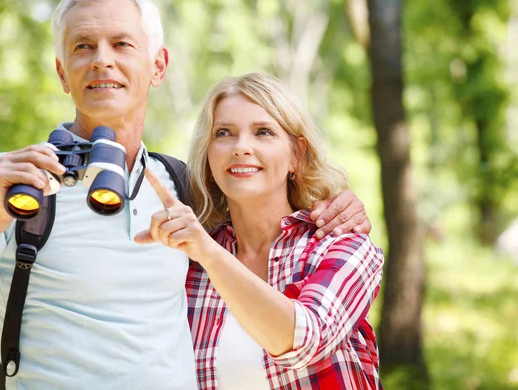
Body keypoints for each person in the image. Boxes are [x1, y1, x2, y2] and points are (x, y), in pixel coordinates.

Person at [0, 0, 371, 389]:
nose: (101, 60)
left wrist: (339, 207)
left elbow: (268, 211)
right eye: (82, 46)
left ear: (158, 66)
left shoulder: (185, 189)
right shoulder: (11, 180)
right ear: (62, 72)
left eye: (121, 44)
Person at [135, 72, 384, 389]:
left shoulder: (342, 245)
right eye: (224, 133)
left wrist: (208, 254)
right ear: (208, 154)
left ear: (297, 155)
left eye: (263, 132)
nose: (241, 147)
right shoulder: (188, 267)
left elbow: (306, 340)